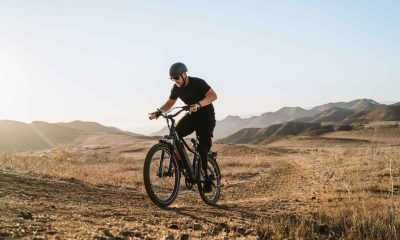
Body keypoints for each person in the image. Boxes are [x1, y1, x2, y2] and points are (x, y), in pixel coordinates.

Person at [149, 62, 217, 192]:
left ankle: (207, 178)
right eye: (172, 78)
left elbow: (213, 96)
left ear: (184, 74)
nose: (175, 81)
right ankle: (183, 166)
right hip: (192, 116)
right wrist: (159, 112)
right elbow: (169, 103)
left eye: (176, 77)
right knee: (174, 134)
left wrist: (198, 104)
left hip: (206, 118)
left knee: (202, 147)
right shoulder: (176, 88)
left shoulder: (198, 83)